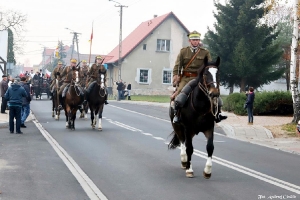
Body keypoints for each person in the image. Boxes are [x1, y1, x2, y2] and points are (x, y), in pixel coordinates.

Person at [171, 30, 227, 124]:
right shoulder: (183, 52)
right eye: (194, 40)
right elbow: (177, 66)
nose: (196, 41)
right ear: (190, 41)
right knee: (180, 93)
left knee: (214, 94)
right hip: (186, 78)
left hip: (200, 78)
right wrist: (176, 76)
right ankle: (177, 114)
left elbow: (209, 66)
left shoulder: (205, 52)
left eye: (197, 39)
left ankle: (217, 114)